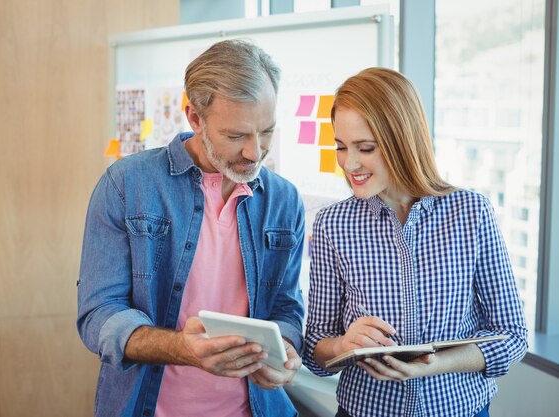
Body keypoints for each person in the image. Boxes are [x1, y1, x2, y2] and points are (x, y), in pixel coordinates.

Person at [76, 39, 305, 417]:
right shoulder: (126, 185)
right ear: (195, 118)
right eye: (236, 136)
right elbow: (99, 314)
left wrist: (286, 349)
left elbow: (286, 308)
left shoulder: (284, 200)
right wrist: (182, 348)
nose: (255, 151)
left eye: (266, 131)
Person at [303, 67, 527, 417]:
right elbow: (316, 345)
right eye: (342, 147)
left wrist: (432, 365)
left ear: (401, 141)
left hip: (459, 409)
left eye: (365, 148)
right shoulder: (333, 224)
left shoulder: (470, 212)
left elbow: (512, 335)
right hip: (365, 410)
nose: (350, 163)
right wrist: (343, 345)